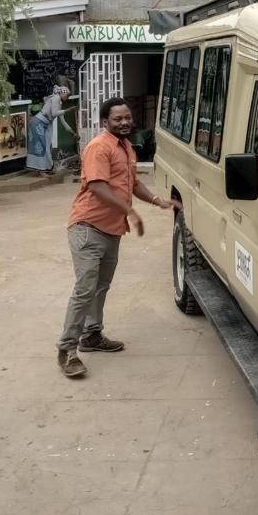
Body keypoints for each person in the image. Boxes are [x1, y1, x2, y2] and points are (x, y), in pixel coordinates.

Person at [57, 96, 180, 379]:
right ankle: (66, 351)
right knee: (85, 289)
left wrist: (157, 201)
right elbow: (99, 187)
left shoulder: (126, 147)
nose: (124, 122)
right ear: (105, 122)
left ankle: (92, 336)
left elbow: (132, 182)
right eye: (117, 119)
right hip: (88, 227)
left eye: (127, 118)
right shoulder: (99, 147)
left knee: (101, 287)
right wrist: (131, 213)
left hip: (112, 229)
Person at [26, 84, 76, 174]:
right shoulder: (56, 98)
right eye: (67, 95)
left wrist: (73, 133)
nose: (68, 98)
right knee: (42, 146)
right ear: (63, 94)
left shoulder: (58, 102)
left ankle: (44, 168)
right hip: (38, 123)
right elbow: (54, 113)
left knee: (46, 146)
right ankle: (41, 170)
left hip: (41, 124)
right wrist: (69, 110)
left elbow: (63, 122)